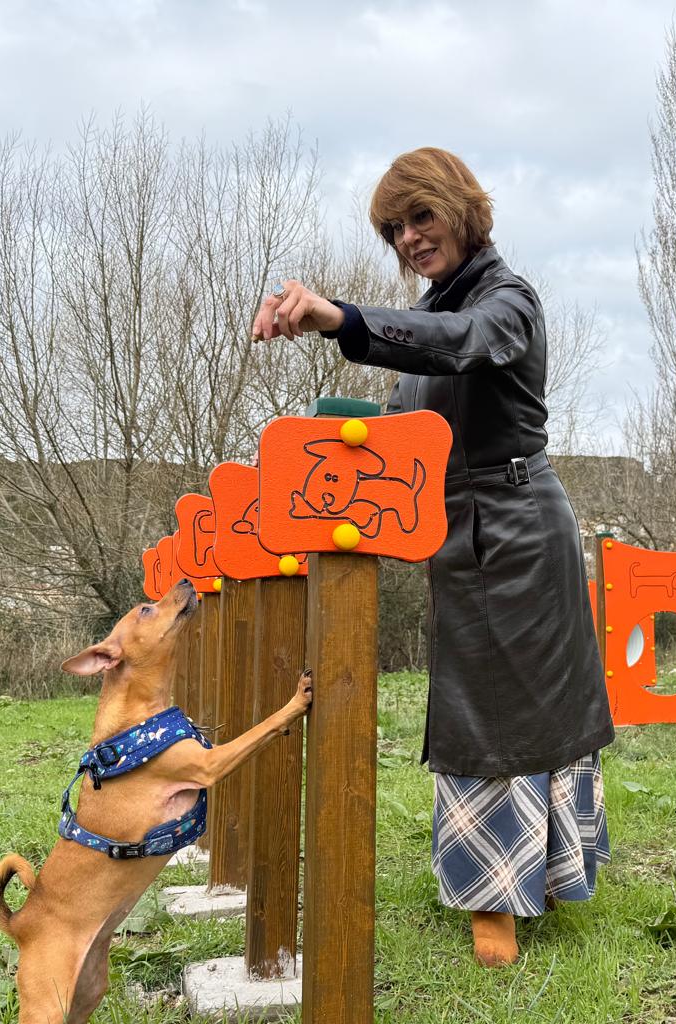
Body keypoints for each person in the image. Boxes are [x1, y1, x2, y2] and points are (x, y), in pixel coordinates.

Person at [251, 147, 615, 968]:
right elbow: (402, 422)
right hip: (464, 533)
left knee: (516, 711)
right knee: (486, 704)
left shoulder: (505, 301)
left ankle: (511, 893)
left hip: (520, 527)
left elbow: (460, 343)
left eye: (421, 217)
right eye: (395, 228)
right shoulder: (433, 315)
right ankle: (513, 878)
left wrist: (342, 318)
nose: (409, 237)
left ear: (462, 211)